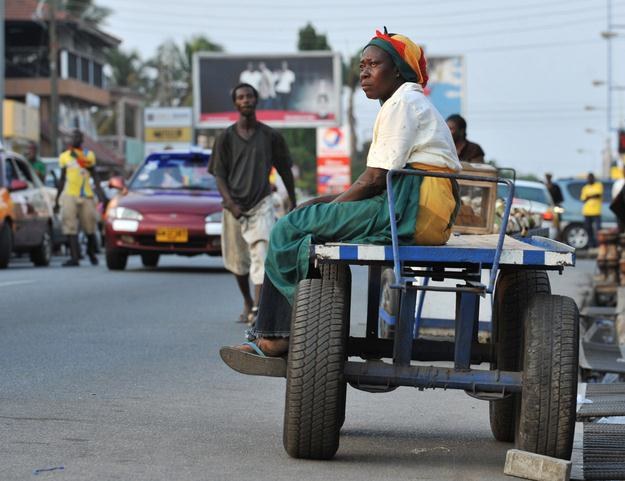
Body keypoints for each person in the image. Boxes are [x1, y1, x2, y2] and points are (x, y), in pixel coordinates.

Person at [219, 29, 462, 375]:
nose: (364, 73)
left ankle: (274, 337)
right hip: (416, 207)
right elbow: (375, 181)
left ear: (397, 71)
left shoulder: (401, 104)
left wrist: (328, 209)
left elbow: (375, 180)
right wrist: (320, 203)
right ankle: (293, 322)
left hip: (410, 210)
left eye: (373, 65)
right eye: (361, 66)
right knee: (306, 215)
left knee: (287, 228)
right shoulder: (408, 102)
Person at [209, 83, 297, 325]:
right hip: (234, 207)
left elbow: (285, 170)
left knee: (262, 253)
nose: (245, 100)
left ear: (256, 100)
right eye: (241, 97)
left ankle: (258, 309)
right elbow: (219, 175)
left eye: (249, 96)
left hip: (261, 204)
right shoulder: (225, 138)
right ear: (235, 103)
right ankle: (247, 300)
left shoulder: (270, 136)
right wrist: (230, 203)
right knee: (238, 262)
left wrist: (293, 200)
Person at [54, 129, 107, 267]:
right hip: (70, 195)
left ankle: (91, 252)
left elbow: (95, 176)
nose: (74, 139)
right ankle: (74, 257)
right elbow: (62, 179)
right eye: (72, 137)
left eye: (77, 137)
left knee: (89, 226)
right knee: (70, 226)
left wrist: (101, 196)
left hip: (86, 195)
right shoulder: (65, 157)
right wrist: (57, 199)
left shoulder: (89, 156)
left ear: (82, 139)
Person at [580, 172, 603, 248]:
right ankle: (591, 243)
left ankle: (599, 243)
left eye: (591, 178)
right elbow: (583, 199)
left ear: (594, 178)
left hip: (596, 211)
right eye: (588, 178)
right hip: (587, 212)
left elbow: (598, 194)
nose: (589, 179)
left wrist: (589, 196)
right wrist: (592, 196)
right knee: (588, 228)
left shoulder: (598, 185)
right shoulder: (585, 187)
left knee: (598, 228)